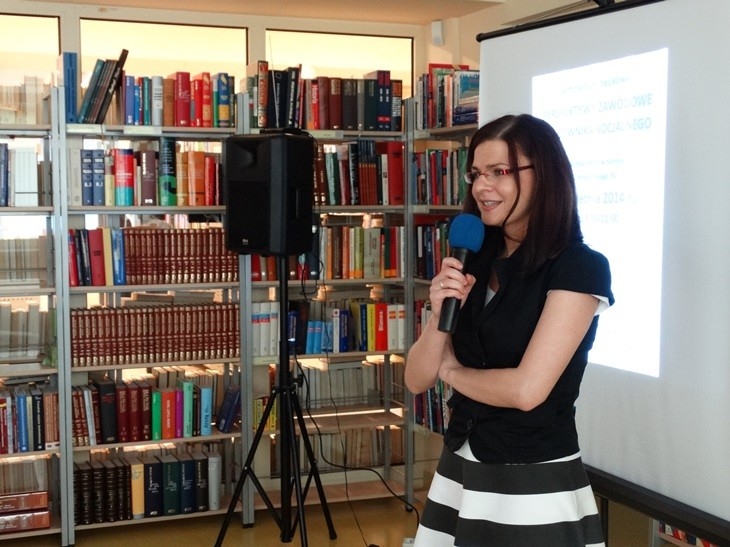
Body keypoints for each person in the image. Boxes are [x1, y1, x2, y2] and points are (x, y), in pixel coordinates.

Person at [406, 113, 614, 547]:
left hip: (531, 475)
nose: (483, 187)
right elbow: (415, 378)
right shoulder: (472, 258)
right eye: (476, 174)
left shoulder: (579, 267)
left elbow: (526, 390)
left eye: (500, 172)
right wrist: (438, 314)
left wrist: (452, 371)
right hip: (460, 467)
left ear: (545, 175)